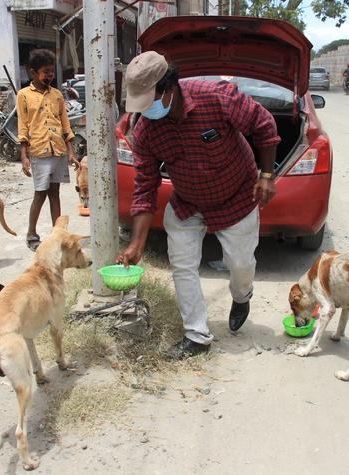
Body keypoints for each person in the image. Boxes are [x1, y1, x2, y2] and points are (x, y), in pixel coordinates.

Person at [115, 51, 280, 359]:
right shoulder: (146, 132)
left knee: (241, 266)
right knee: (182, 265)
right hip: (187, 204)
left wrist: (266, 175)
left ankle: (242, 296)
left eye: (148, 102)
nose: (145, 112)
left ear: (169, 88)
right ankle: (197, 335)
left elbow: (265, 125)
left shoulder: (217, 97)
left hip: (237, 197)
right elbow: (145, 186)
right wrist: (137, 243)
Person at [17, 49, 79, 251]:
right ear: (34, 73)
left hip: (58, 151)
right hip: (39, 152)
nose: (50, 75)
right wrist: (24, 156)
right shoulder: (24, 95)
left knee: (55, 193)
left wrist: (71, 152)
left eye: (52, 71)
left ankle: (57, 235)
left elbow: (65, 125)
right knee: (40, 194)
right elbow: (23, 127)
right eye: (46, 72)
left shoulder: (58, 95)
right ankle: (32, 233)